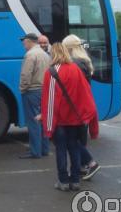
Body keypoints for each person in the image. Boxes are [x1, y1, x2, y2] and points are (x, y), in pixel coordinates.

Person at [39, 43, 99, 191]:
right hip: (76, 118)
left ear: (53, 54)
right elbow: (85, 94)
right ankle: (75, 180)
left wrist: (48, 122)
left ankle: (63, 181)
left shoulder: (51, 72)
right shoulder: (75, 69)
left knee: (60, 149)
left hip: (60, 119)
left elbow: (50, 100)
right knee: (74, 147)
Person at [62, 34, 101, 180]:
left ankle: (88, 164)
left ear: (69, 48)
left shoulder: (74, 63)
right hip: (83, 105)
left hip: (76, 107)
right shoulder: (85, 61)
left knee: (72, 140)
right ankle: (82, 168)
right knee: (79, 139)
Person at [19, 33, 51, 159]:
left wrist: (22, 89)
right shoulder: (45, 54)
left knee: (33, 122)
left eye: (24, 41)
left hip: (32, 91)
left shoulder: (30, 55)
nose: (23, 44)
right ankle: (45, 149)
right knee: (42, 121)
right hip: (44, 90)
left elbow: (26, 75)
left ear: (29, 41)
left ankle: (35, 152)